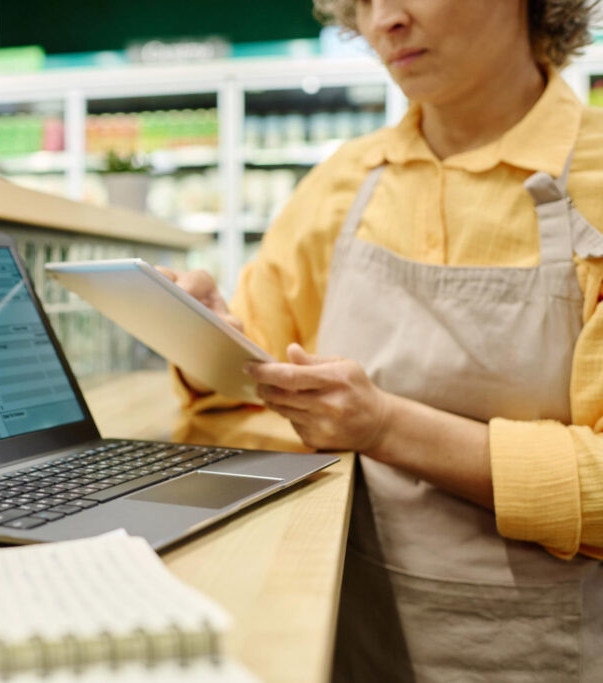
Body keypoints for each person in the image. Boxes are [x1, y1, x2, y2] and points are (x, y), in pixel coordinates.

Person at [161, 0, 603, 679]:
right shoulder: (343, 183)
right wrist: (210, 340)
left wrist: (386, 425)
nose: (382, 21)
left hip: (535, 652)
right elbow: (240, 395)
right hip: (343, 630)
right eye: (359, 2)